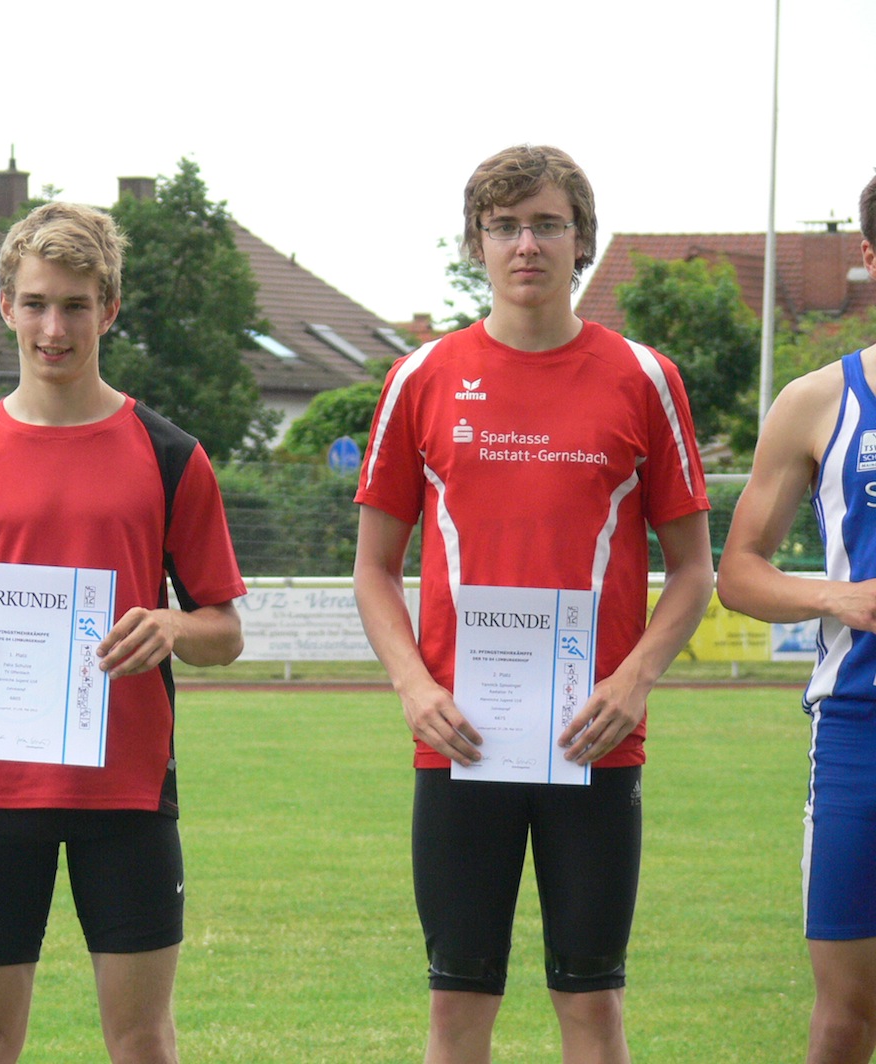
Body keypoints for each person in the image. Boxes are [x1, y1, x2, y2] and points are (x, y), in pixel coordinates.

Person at [352, 145, 714, 1064]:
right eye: (505, 226)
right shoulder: (420, 377)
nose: (527, 245)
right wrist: (414, 688)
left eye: (548, 224)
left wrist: (632, 682)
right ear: (476, 242)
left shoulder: (644, 377)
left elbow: (694, 572)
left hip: (594, 736)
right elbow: (374, 569)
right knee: (456, 1008)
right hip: (462, 738)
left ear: (581, 240)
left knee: (592, 1005)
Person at [0, 201, 246, 1064]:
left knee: (141, 1039)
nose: (55, 328)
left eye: (76, 306)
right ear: (6, 307)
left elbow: (224, 629)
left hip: (126, 795)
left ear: (109, 309)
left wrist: (171, 625)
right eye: (37, 304)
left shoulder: (171, 456)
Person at [716, 174, 876, 1064]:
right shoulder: (820, 401)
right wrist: (836, 596)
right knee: (846, 1012)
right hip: (859, 729)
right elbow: (738, 572)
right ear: (869, 257)